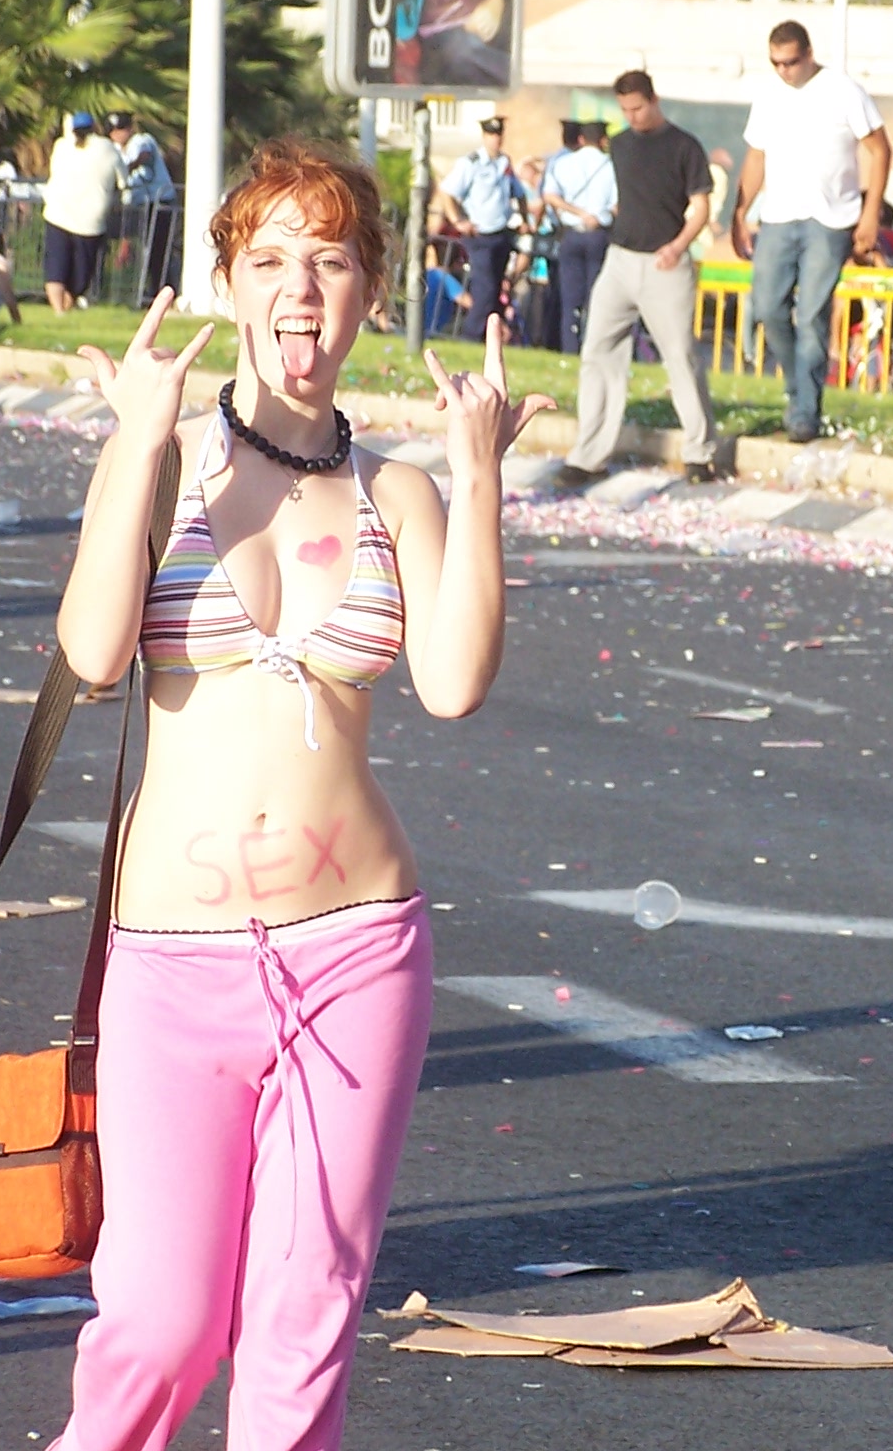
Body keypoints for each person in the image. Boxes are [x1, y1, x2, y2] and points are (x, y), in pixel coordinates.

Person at [49, 138, 550, 1450]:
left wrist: (481, 471)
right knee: (159, 1326)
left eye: (331, 261)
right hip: (170, 965)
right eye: (269, 259)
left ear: (372, 294)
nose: (301, 291)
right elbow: (95, 657)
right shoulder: (167, 466)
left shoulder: (396, 491)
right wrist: (136, 444)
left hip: (356, 955)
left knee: (298, 1322)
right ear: (228, 281)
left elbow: (451, 683)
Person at [555, 70, 719, 490]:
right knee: (598, 351)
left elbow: (699, 207)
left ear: (654, 99)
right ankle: (588, 455)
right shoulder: (621, 145)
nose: (631, 116)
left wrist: (678, 247)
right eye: (624, 109)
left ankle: (700, 453)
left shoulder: (685, 146)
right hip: (620, 258)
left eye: (638, 108)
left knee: (680, 356)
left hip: (667, 263)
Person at [732, 19, 893, 443]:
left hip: (831, 218)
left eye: (791, 62)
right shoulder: (768, 95)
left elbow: (880, 149)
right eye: (776, 63)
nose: (784, 71)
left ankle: (805, 409)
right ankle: (796, 386)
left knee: (811, 315)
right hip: (779, 216)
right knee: (767, 306)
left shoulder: (843, 91)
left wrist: (871, 212)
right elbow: (755, 157)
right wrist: (740, 211)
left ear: (808, 54)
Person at [436, 117, 521, 342]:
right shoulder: (471, 163)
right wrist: (457, 220)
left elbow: (518, 192)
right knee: (484, 289)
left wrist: (523, 218)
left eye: (499, 134)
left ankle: (490, 336)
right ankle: (470, 336)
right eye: (492, 135)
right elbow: (447, 191)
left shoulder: (504, 162)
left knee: (495, 290)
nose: (497, 139)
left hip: (501, 232)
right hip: (479, 234)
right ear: (485, 136)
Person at [542, 117, 616, 355]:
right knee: (598, 298)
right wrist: (598, 214)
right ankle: (593, 350)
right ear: (603, 140)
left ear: (581, 139)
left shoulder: (563, 164)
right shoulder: (611, 166)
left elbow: (550, 196)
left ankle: (570, 348)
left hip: (571, 234)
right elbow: (618, 205)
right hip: (599, 235)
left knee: (570, 298)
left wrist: (575, 212)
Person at [45, 111, 128, 313]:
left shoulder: (61, 146)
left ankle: (59, 312)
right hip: (90, 221)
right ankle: (65, 309)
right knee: (82, 273)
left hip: (58, 213)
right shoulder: (108, 148)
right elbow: (123, 181)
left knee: (55, 268)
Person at [109, 111, 180, 300]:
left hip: (160, 203)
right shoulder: (116, 152)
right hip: (140, 206)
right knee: (146, 252)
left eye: (122, 129)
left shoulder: (142, 140)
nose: (118, 134)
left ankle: (164, 292)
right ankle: (150, 292)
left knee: (159, 250)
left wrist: (128, 168)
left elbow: (145, 154)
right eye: (114, 130)